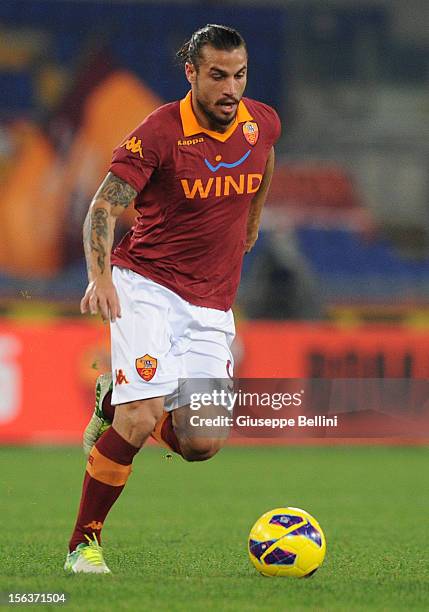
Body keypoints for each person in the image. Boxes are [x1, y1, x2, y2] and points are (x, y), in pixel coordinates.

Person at [64, 23, 281, 574]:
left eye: (239, 75)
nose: (230, 89)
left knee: (201, 442)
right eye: (217, 76)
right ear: (191, 73)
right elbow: (102, 207)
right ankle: (82, 546)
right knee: (140, 421)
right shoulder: (157, 132)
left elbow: (265, 158)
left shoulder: (261, 123)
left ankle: (112, 402)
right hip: (147, 286)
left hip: (212, 303)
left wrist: (251, 224)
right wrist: (101, 277)